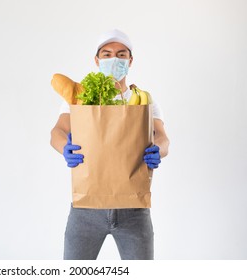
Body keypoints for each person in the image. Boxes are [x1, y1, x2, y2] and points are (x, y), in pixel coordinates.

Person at [50, 29, 170, 260]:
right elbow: (57, 131)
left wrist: (159, 150)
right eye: (106, 54)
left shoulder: (145, 101)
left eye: (121, 54)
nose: (114, 59)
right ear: (97, 60)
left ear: (130, 60)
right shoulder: (81, 99)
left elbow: (163, 137)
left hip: (134, 209)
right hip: (85, 209)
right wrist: (65, 147)